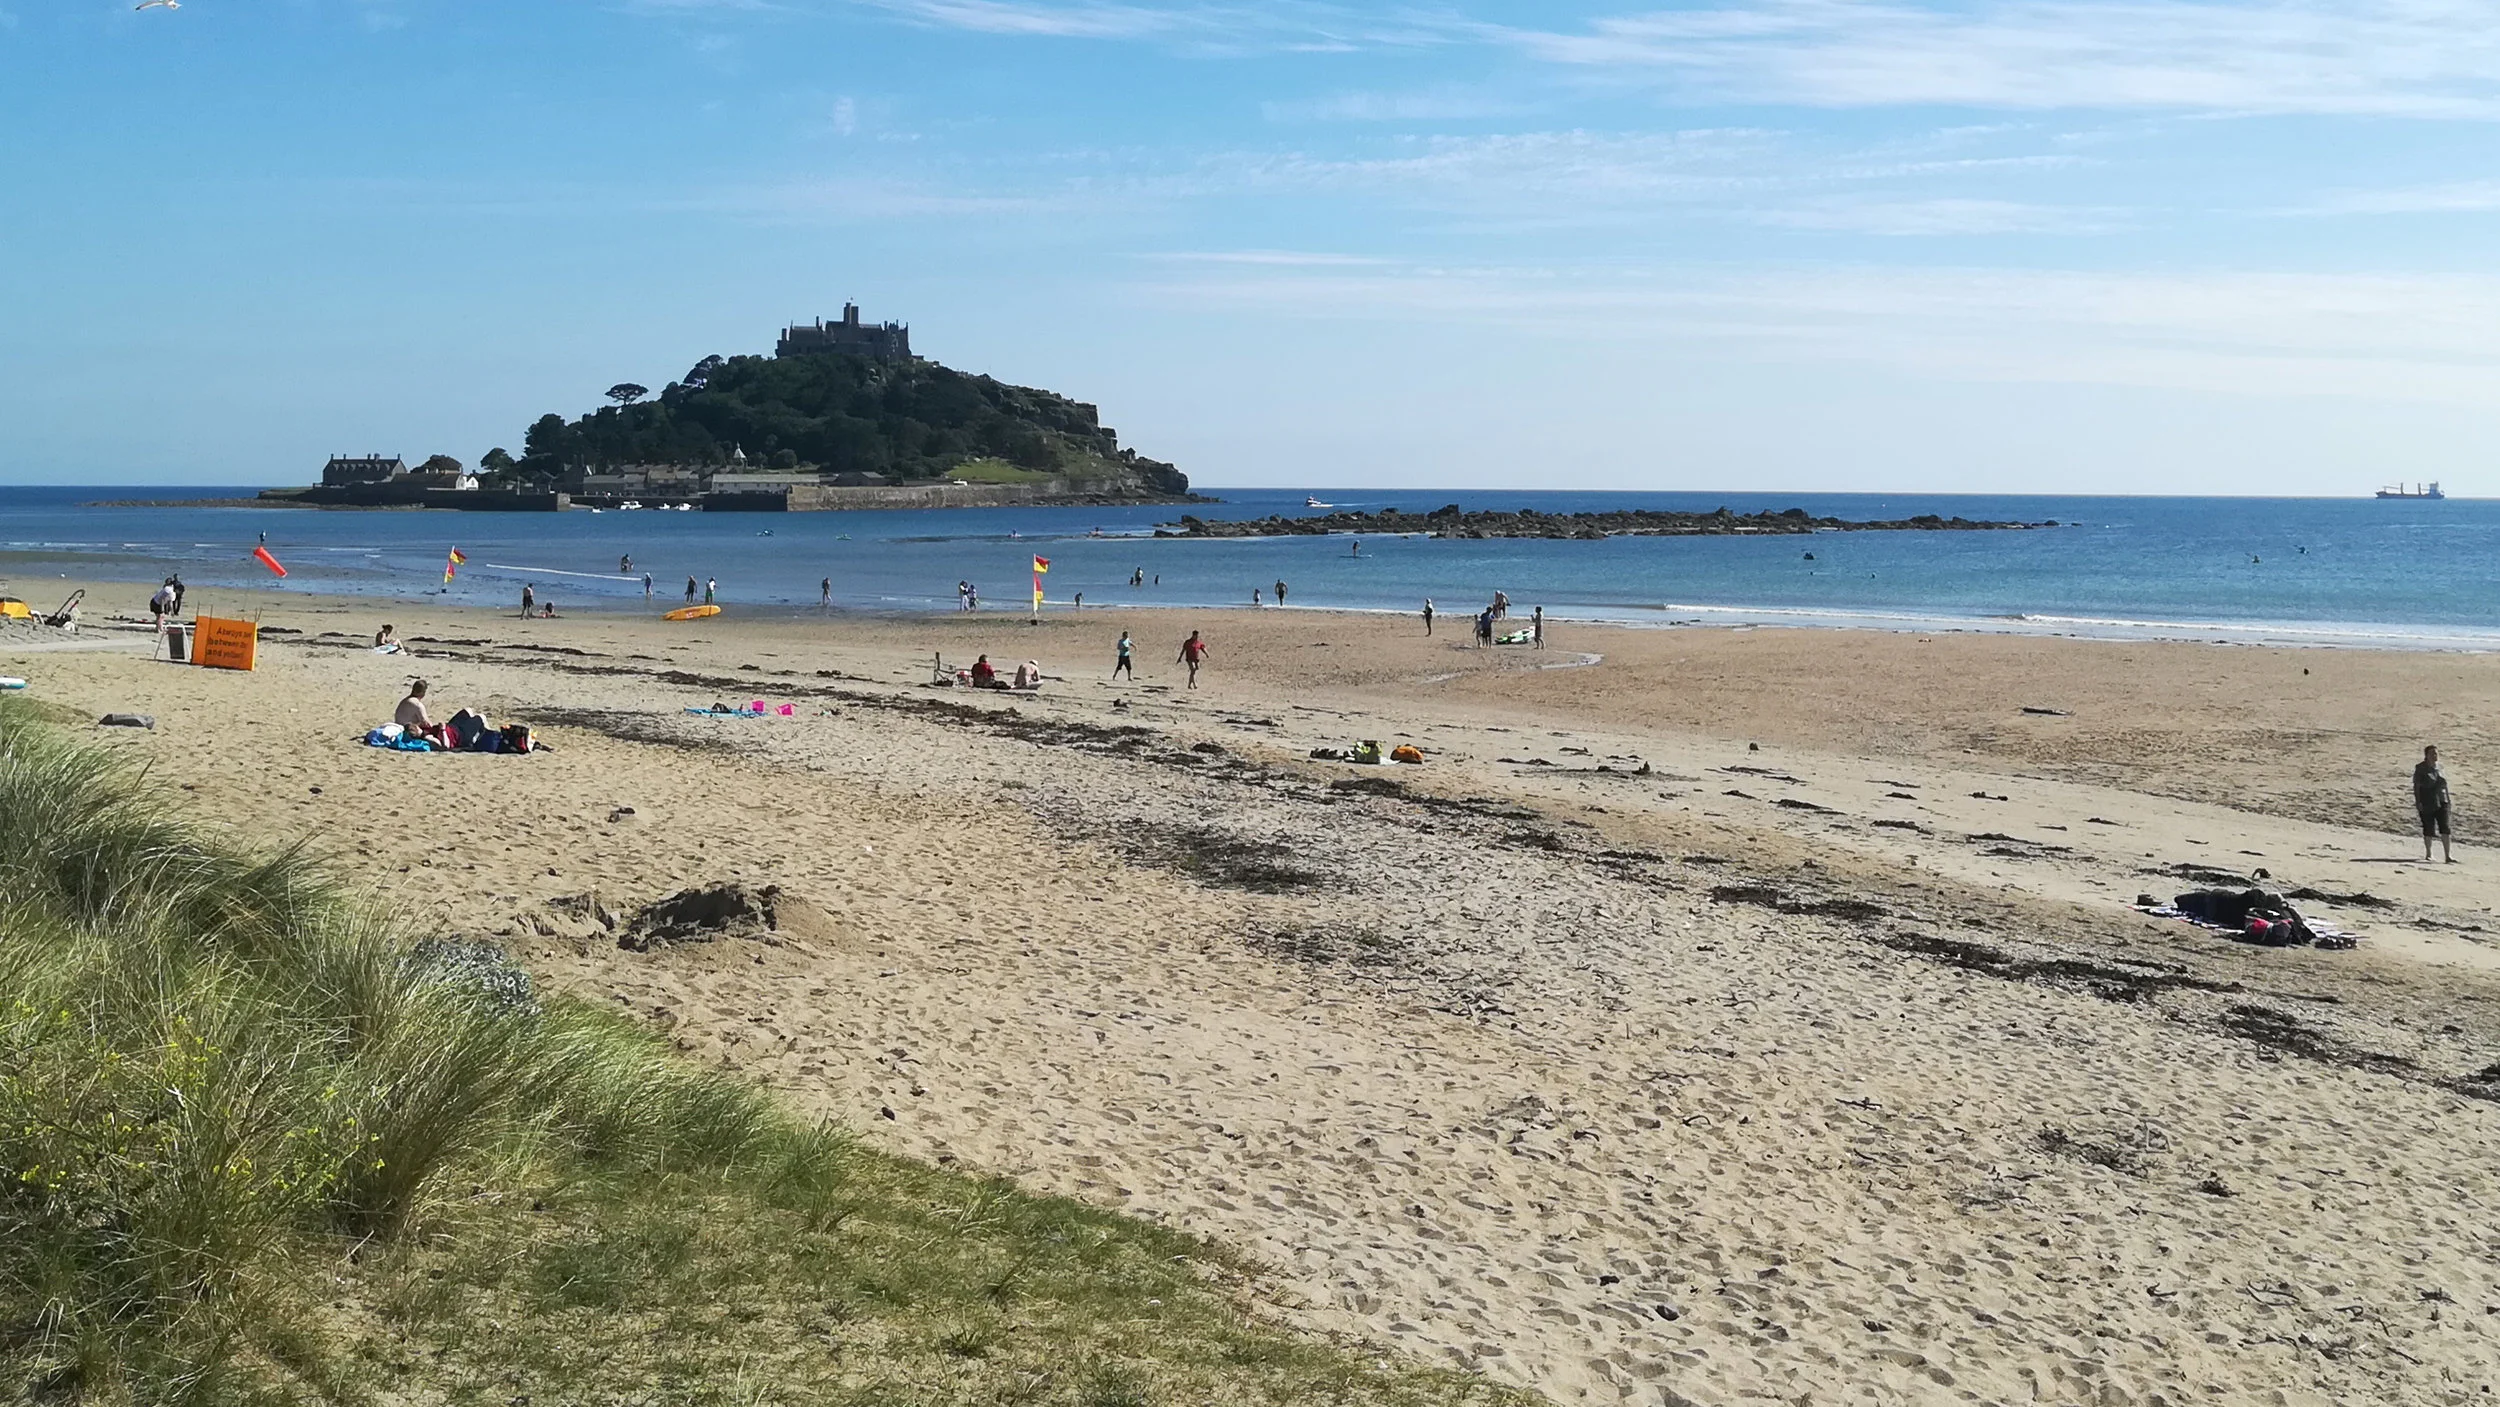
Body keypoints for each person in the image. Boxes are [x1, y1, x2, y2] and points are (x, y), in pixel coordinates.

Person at [2417, 745, 2456, 863]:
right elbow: (2417, 786)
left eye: (2436, 753)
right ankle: (2429, 854)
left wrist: (2448, 800)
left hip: (2442, 800)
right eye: (2432, 753)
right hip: (2428, 800)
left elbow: (2445, 785)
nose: (2435, 756)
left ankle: (2448, 855)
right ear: (2426, 755)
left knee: (2445, 827)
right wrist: (2418, 802)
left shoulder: (2441, 767)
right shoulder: (2421, 768)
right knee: (2428, 827)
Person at [395, 679, 448, 745]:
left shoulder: (404, 701)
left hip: (398, 729)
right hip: (410, 732)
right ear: (423, 692)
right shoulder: (418, 705)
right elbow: (427, 724)